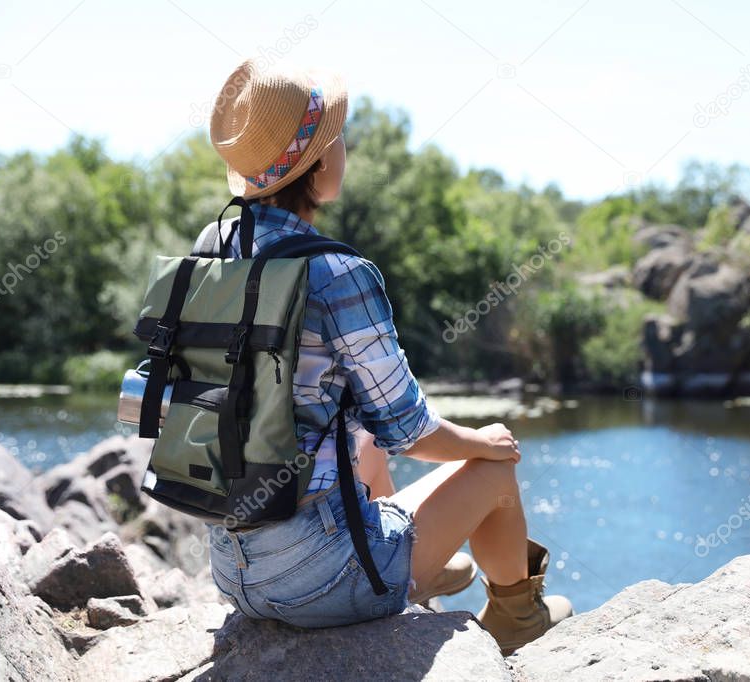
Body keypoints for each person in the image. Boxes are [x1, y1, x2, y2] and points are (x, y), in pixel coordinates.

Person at [202, 59, 571, 654]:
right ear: (320, 164)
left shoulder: (214, 251)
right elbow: (411, 430)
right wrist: (486, 442)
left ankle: (420, 563)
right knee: (495, 463)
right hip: (317, 583)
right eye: (337, 139)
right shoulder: (336, 272)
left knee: (360, 438)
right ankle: (516, 618)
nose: (345, 148)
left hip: (232, 570)